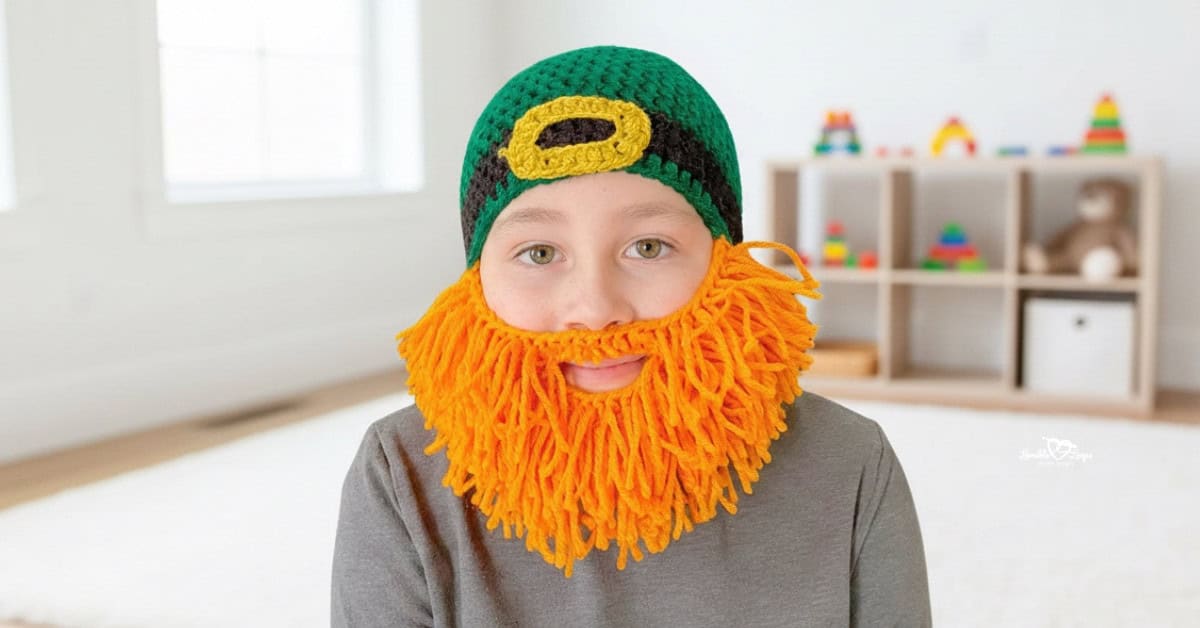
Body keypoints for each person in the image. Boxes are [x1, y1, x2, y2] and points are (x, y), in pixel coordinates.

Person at [332, 45, 931, 627]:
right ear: (475, 280)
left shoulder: (852, 465)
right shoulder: (402, 474)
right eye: (539, 252)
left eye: (648, 247)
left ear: (727, 265)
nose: (594, 310)